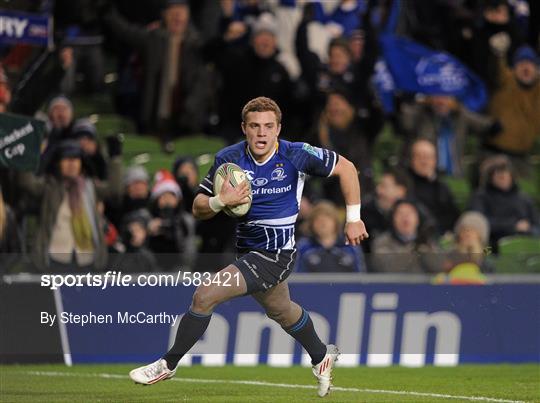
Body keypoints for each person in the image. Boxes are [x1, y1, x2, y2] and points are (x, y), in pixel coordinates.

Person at [128, 97, 369, 397]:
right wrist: (220, 201)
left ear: (278, 129)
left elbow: (347, 169)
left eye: (269, 126)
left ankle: (168, 364)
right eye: (254, 126)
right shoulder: (228, 160)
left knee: (205, 295)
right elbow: (198, 206)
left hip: (277, 253)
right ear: (244, 128)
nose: (261, 133)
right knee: (282, 310)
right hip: (248, 251)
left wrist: (353, 219)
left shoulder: (297, 154)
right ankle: (321, 356)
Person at [469, 155, 539, 250]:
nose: (503, 178)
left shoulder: (523, 198)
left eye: (506, 174)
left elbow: (535, 222)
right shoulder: (480, 197)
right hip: (491, 246)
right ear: (491, 177)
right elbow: (479, 223)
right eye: (499, 176)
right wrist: (513, 226)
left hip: (523, 246)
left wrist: (528, 228)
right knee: (483, 252)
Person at [371, 199, 441, 273]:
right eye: (400, 213)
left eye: (409, 213)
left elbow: (438, 267)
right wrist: (414, 248)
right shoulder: (381, 242)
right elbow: (386, 267)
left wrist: (425, 249)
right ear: (393, 218)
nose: (405, 218)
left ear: (418, 218)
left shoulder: (428, 241)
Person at [296, 200, 365, 273]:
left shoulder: (350, 246)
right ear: (311, 224)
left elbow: (361, 277)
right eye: (317, 220)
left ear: (335, 222)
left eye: (327, 218)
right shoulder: (303, 246)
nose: (322, 223)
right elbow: (297, 277)